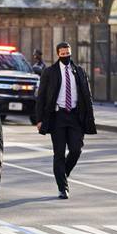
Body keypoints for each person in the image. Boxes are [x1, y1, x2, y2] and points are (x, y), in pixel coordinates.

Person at [35, 42, 96, 199]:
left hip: (76, 116)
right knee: (59, 154)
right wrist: (39, 119)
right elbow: (41, 97)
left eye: (68, 53)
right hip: (57, 117)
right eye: (62, 54)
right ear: (58, 55)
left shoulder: (79, 71)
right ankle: (63, 187)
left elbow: (87, 96)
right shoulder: (49, 72)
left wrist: (90, 117)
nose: (66, 56)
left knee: (76, 150)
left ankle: (63, 174)